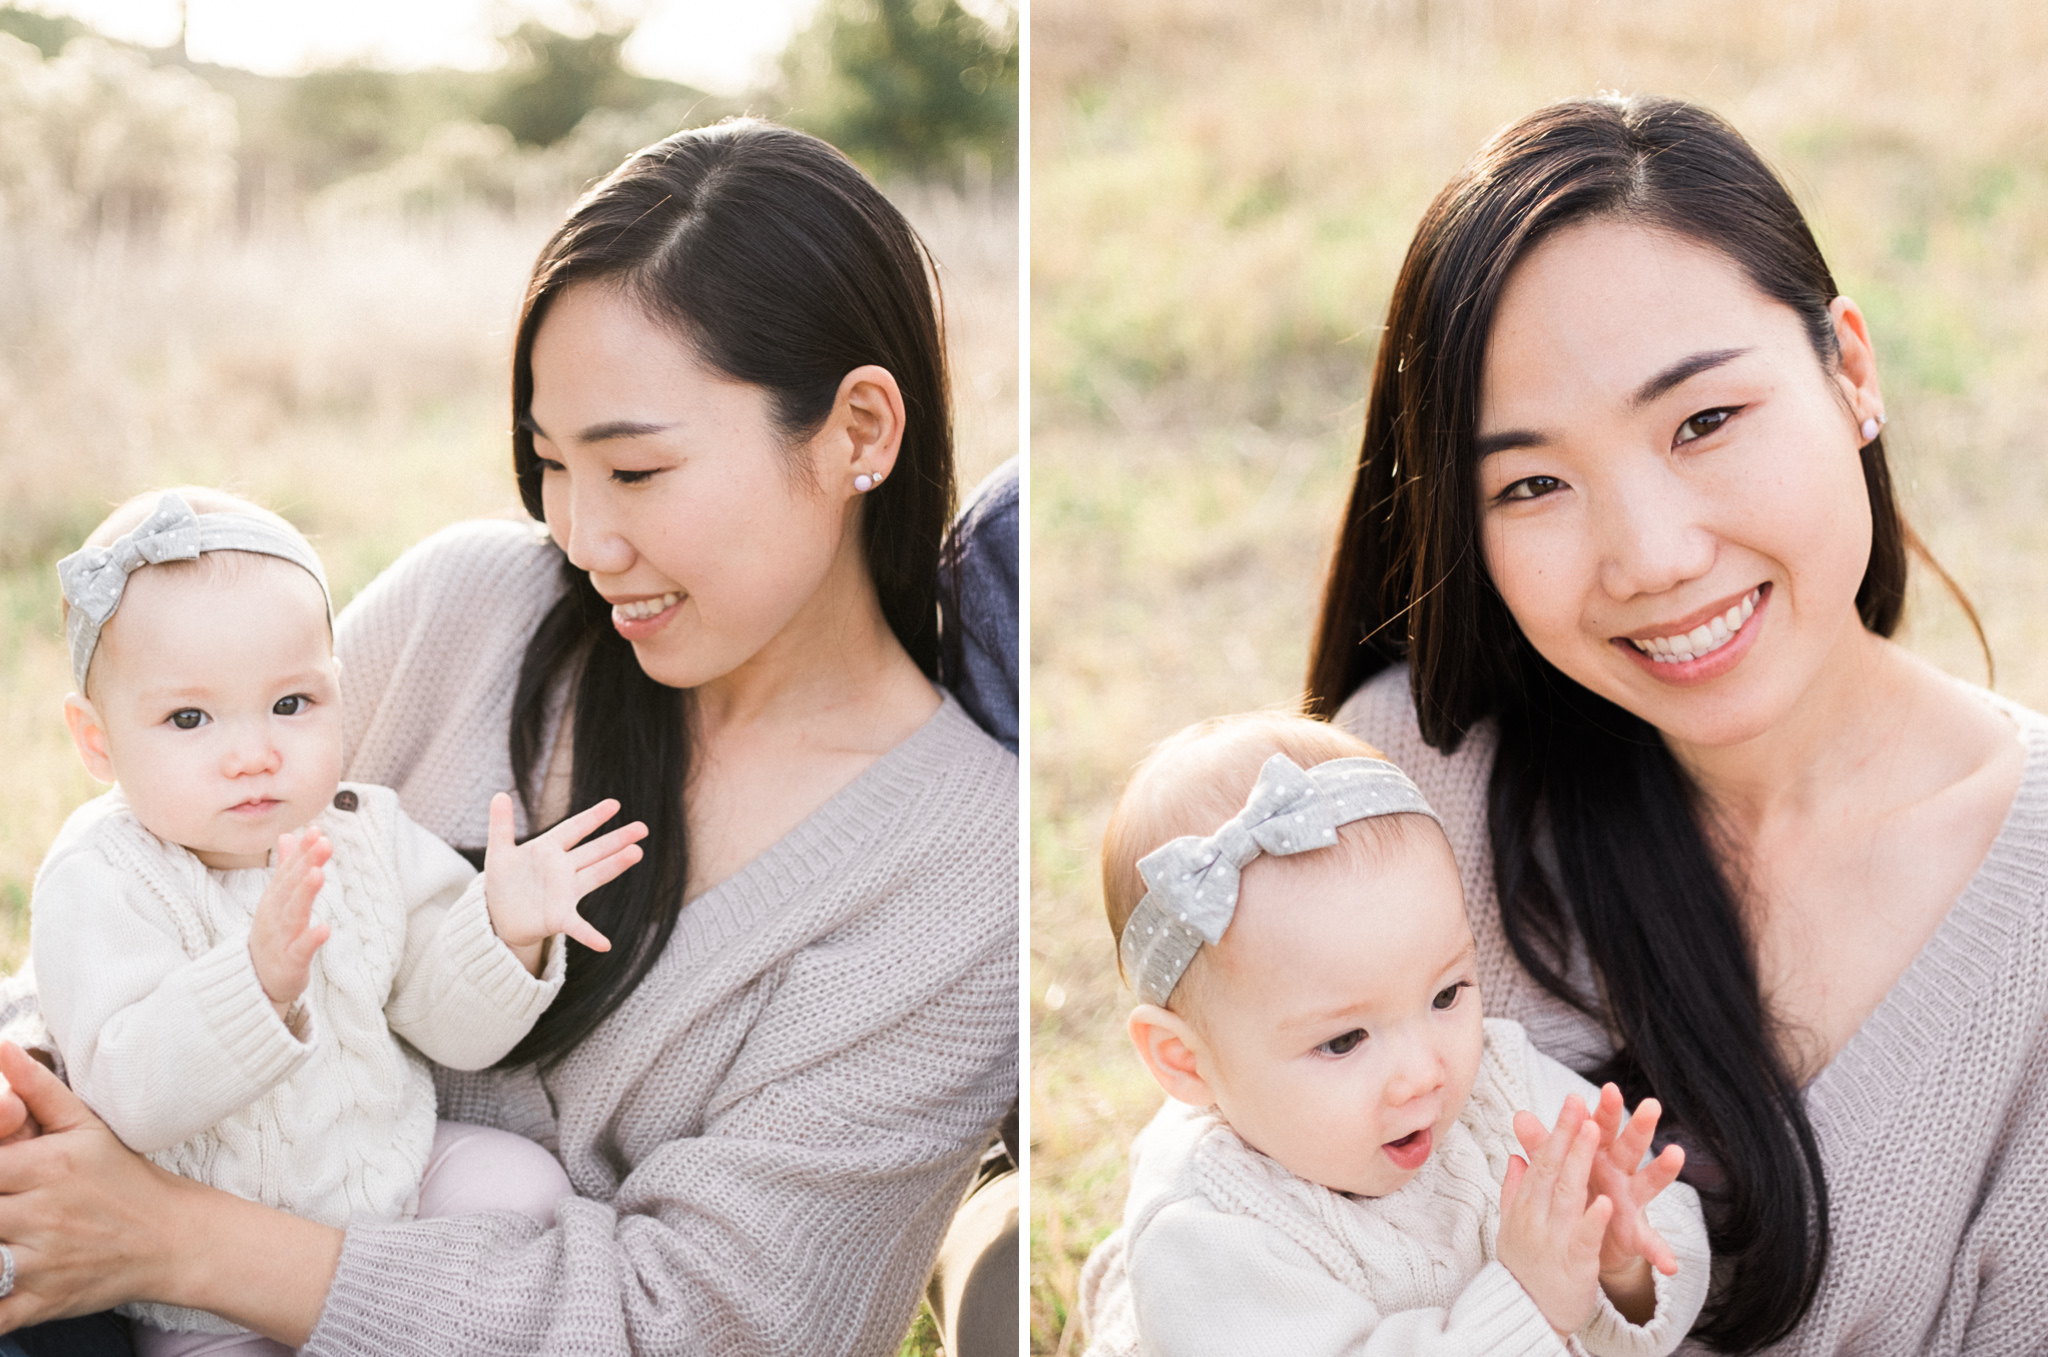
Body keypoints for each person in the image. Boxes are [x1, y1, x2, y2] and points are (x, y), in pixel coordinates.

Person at [0, 118, 1018, 1357]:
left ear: (858, 430)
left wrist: (180, 1240)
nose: (583, 540)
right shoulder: (464, 607)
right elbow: (141, 908)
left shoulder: (966, 869)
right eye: (549, 467)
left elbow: (703, 1325)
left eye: (635, 473)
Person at [1307, 94, 2048, 1352]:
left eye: (1703, 421)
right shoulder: (1404, 794)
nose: (1650, 556)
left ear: (1849, 373)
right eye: (1533, 483)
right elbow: (1199, 1260)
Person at [35, 486, 645, 1356]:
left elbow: (450, 1028)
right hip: (201, 1290)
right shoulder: (101, 880)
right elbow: (126, 1094)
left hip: (391, 1178)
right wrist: (257, 983)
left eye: (292, 704)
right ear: (97, 742)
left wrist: (503, 929)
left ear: (337, 692)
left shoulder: (364, 833)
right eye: (189, 718)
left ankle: (431, 1316)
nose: (254, 752)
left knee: (527, 1190)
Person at [1076, 712, 1707, 1355]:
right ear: (1186, 1061)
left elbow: (1653, 1278)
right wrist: (1529, 1304)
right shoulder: (1202, 1235)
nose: (1424, 1072)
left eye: (1445, 994)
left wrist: (1619, 1265)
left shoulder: (1498, 1080)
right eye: (1344, 1040)